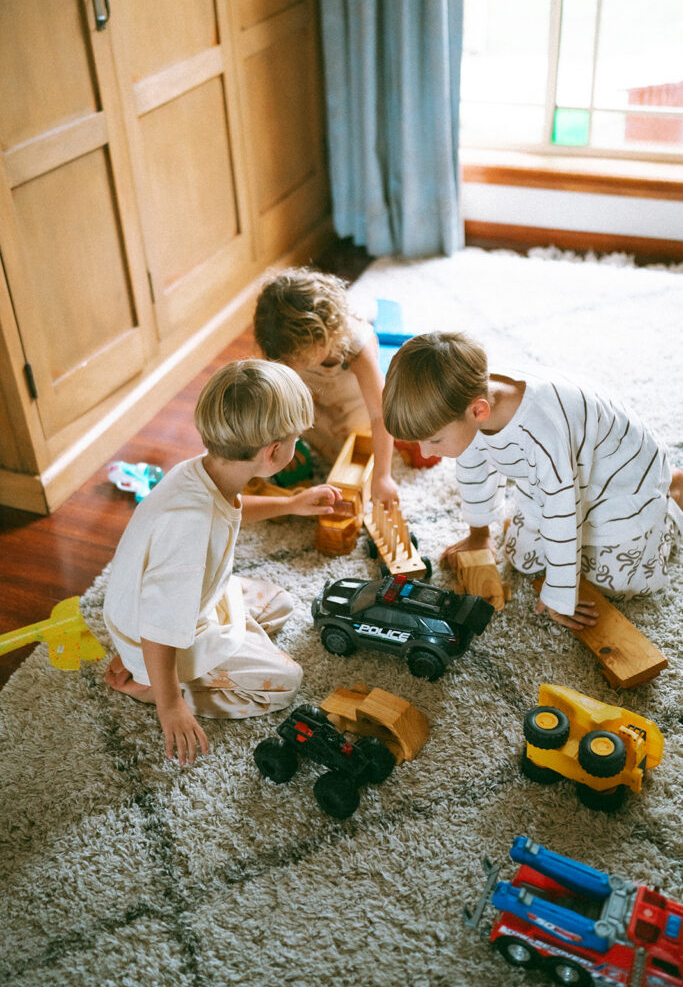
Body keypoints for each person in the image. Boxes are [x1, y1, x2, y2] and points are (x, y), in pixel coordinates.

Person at [103, 359, 341, 765]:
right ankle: (156, 685)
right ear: (273, 453)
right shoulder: (190, 529)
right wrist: (169, 706)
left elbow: (231, 508)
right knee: (286, 682)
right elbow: (160, 628)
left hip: (181, 607)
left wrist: (291, 505)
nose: (298, 445)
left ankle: (153, 664)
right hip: (163, 637)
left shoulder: (205, 470)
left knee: (280, 602)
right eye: (297, 439)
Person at [382, 331, 683, 631]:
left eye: (434, 440)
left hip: (621, 483)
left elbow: (562, 509)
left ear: (478, 411)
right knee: (522, 558)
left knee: (621, 583)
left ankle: (670, 498)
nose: (426, 453)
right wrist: (479, 532)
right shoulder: (468, 402)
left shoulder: (540, 432)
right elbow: (474, 465)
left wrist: (561, 594)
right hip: (564, 477)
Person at [253, 267, 399, 507]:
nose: (290, 365)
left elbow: (380, 413)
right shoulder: (285, 345)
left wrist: (383, 476)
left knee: (359, 451)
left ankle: (368, 308)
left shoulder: (356, 347)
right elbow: (276, 395)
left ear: (322, 338)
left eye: (298, 358)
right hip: (316, 401)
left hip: (354, 405)